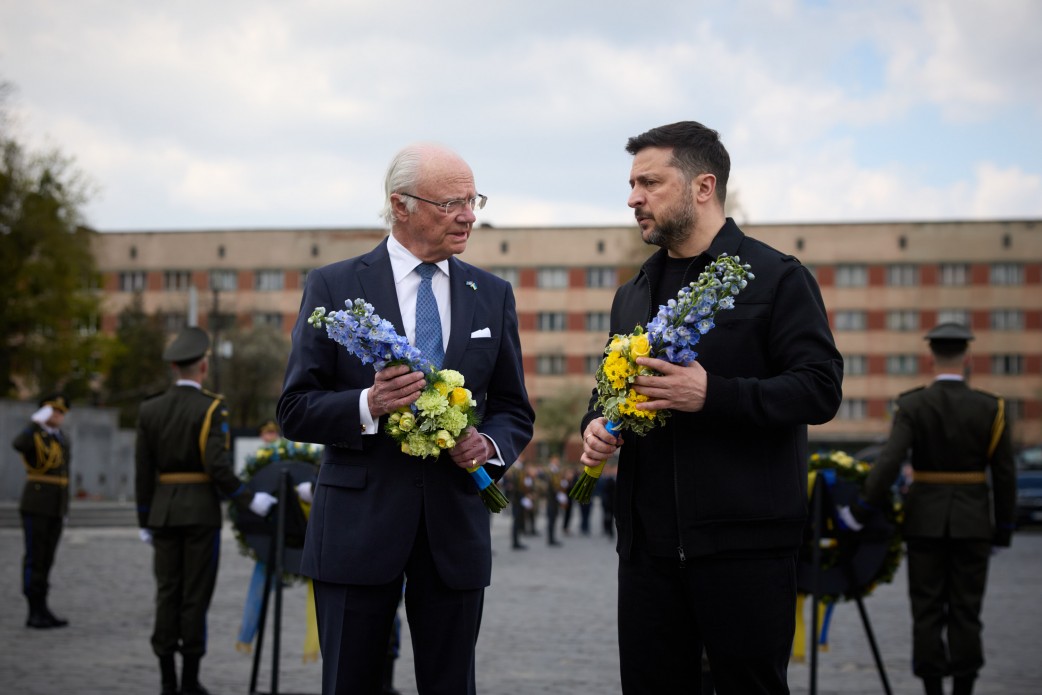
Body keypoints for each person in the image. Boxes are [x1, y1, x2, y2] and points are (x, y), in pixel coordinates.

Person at [581, 121, 843, 694]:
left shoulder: (776, 277)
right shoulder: (633, 292)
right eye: (631, 184)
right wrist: (595, 427)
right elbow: (605, 394)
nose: (633, 198)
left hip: (744, 548)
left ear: (704, 187)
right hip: (646, 550)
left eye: (649, 182)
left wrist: (713, 394)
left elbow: (820, 389)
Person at [277, 142, 534, 695]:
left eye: (473, 200)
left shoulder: (491, 294)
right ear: (401, 205)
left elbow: (514, 408)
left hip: (455, 531)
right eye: (451, 203)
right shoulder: (334, 286)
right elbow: (294, 408)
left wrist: (488, 446)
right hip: (356, 528)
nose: (469, 215)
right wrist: (368, 404)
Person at [841, 322, 1016, 695]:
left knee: (927, 610)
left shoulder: (912, 403)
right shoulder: (992, 407)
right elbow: (1004, 475)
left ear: (930, 357)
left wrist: (860, 509)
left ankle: (933, 689)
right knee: (967, 611)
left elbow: (888, 463)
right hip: (973, 523)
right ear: (967, 358)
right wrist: (1003, 528)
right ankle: (964, 688)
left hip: (924, 522)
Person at [136, 326, 278, 695]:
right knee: (195, 595)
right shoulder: (212, 407)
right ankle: (189, 681)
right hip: (199, 512)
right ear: (202, 367)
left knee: (167, 593)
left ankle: (167, 680)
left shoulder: (150, 409)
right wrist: (248, 498)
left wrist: (144, 518)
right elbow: (216, 465)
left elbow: (142, 470)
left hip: (163, 513)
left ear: (174, 369)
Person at [12, 393, 72, 629]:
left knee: (47, 559)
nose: (57, 415)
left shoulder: (61, 439)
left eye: (60, 412)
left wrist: (65, 508)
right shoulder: (34, 435)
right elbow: (18, 444)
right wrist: (33, 423)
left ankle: (43, 606)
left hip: (56, 506)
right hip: (36, 504)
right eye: (52, 411)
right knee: (35, 557)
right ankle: (32, 609)